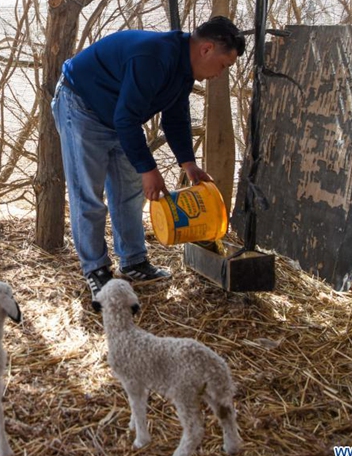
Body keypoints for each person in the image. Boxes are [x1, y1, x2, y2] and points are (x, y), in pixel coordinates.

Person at [51, 16, 246, 300]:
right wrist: (148, 168)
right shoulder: (154, 57)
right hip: (82, 107)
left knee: (130, 193)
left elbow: (176, 117)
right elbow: (127, 118)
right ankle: (96, 270)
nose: (220, 73)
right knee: (89, 196)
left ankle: (133, 262)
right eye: (223, 65)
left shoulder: (183, 68)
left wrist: (188, 162)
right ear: (206, 49)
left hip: (119, 117)